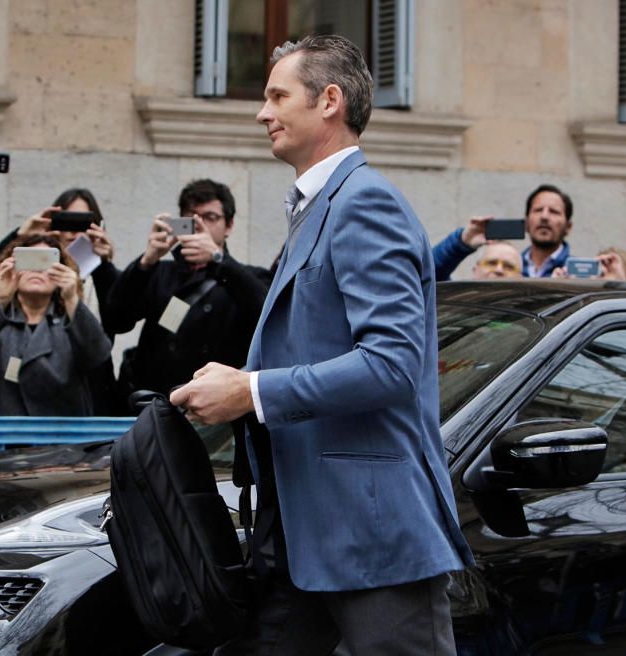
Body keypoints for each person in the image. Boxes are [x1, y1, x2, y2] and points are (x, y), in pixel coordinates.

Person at [170, 35, 472, 654]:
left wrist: (250, 391)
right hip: (306, 535)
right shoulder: (318, 205)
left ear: (329, 101)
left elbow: (391, 365)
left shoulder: (367, 202)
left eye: (278, 95)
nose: (263, 113)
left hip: (373, 535)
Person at [102, 179, 270, 400]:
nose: (199, 226)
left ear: (228, 226)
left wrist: (219, 260)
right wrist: (146, 261)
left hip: (218, 408)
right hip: (159, 404)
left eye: (210, 218)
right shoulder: (160, 272)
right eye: (190, 219)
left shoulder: (248, 276)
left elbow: (268, 319)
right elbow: (116, 321)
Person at [0, 234, 111, 416]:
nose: (37, 270)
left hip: (58, 436)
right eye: (28, 261)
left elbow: (98, 355)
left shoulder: (73, 322)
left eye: (45, 263)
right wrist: (1, 298)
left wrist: (72, 300)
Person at [432, 184, 574, 280]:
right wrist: (460, 243)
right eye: (538, 210)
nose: (544, 217)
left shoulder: (575, 274)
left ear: (568, 226)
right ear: (526, 221)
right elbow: (426, 275)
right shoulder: (510, 259)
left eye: (554, 212)